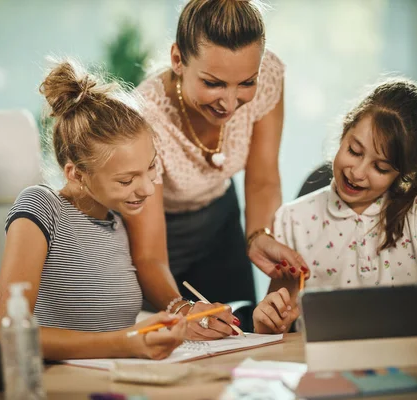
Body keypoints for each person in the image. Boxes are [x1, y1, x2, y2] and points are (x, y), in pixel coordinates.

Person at [253, 78, 417, 334]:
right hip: (321, 368)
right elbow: (275, 327)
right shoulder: (293, 219)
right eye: (354, 151)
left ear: (405, 172)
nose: (357, 173)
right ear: (344, 132)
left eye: (380, 168)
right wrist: (266, 322)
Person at [126, 0, 306, 335]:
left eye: (245, 83)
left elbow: (263, 179)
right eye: (213, 83)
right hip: (157, 235)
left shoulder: (268, 78)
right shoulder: (145, 115)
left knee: (240, 335)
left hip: (221, 221)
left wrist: (257, 235)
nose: (230, 102)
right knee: (178, 343)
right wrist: (179, 308)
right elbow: (150, 256)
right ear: (178, 59)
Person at [0, 59, 190, 360]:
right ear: (76, 174)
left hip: (121, 378)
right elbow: (10, 332)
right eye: (126, 180)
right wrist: (127, 342)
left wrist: (175, 323)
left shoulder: (118, 223)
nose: (148, 189)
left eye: (151, 168)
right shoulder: (41, 207)